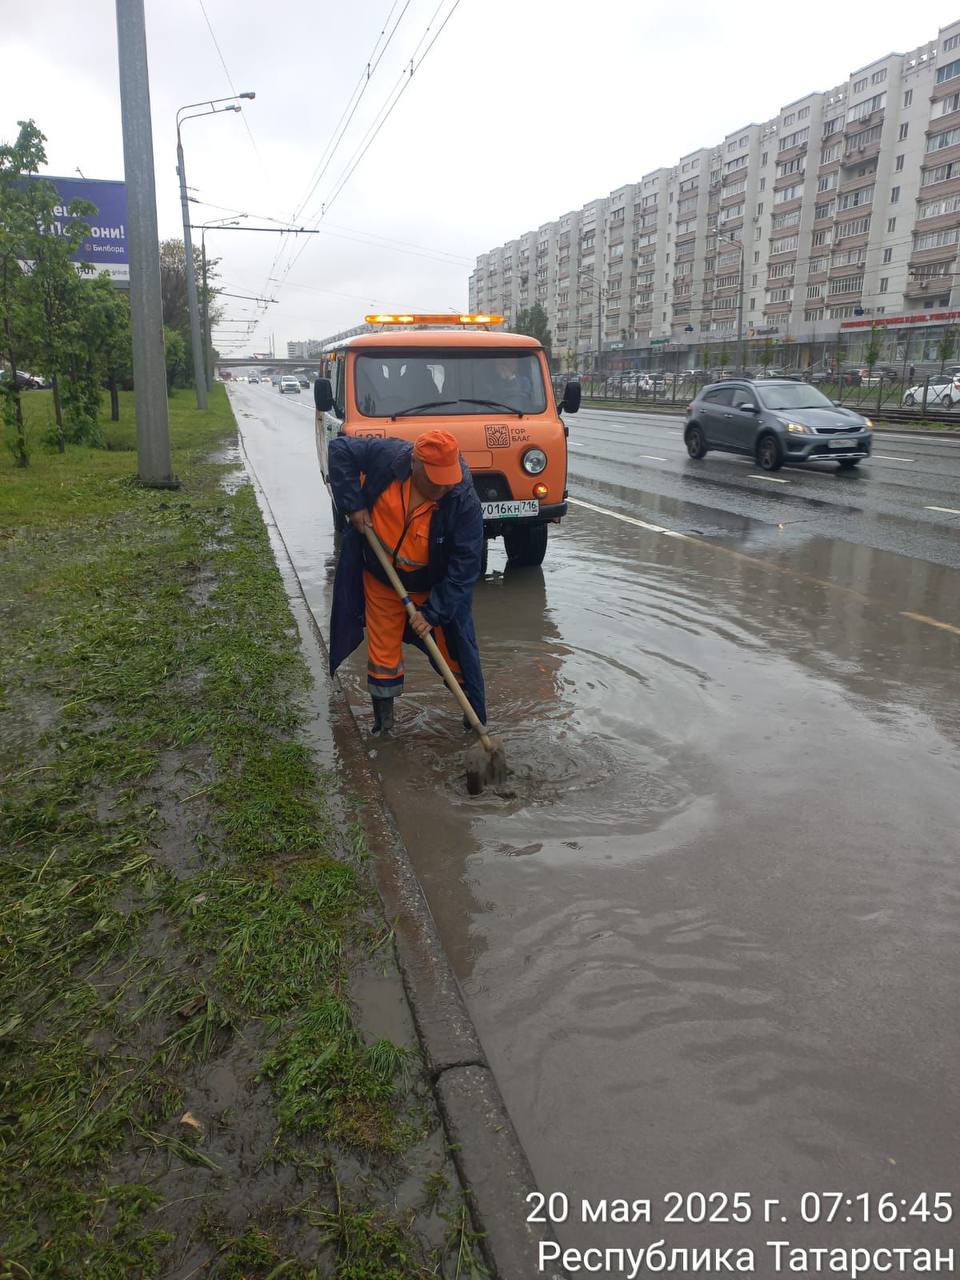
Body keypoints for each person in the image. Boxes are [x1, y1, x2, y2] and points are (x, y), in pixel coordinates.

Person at [328, 429, 486, 736]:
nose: (443, 486)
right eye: (434, 478)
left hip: (432, 586)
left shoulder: (461, 499)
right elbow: (339, 449)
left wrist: (432, 613)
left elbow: (465, 568)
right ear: (414, 464)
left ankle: (473, 723)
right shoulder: (387, 458)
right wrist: (354, 504)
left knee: (455, 654)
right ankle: (384, 726)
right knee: (383, 653)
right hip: (382, 577)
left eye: (447, 477)